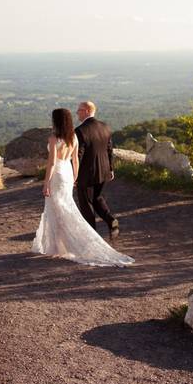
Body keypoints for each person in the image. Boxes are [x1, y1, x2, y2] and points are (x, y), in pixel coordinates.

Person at [31, 108, 134, 267]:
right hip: (67, 173)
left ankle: (59, 246)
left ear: (56, 121)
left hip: (57, 174)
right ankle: (60, 246)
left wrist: (46, 183)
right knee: (65, 207)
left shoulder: (53, 139)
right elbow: (76, 160)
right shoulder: (73, 137)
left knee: (56, 209)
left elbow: (51, 163)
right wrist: (75, 177)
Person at [74, 100, 119, 239]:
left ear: (87, 111)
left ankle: (91, 238)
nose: (77, 113)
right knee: (97, 198)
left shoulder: (80, 131)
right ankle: (111, 220)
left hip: (86, 174)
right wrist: (111, 169)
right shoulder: (105, 127)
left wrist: (74, 175)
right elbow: (110, 150)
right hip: (104, 171)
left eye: (79, 110)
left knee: (86, 204)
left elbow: (78, 155)